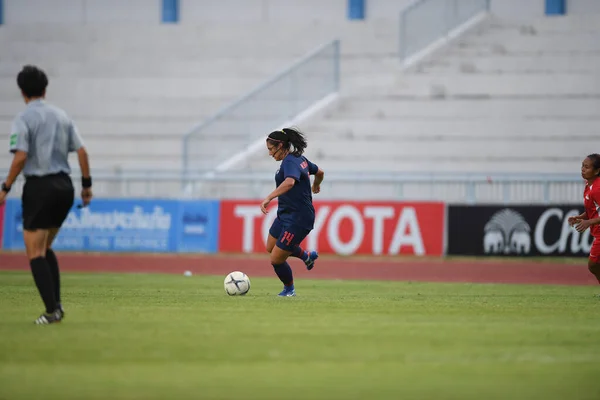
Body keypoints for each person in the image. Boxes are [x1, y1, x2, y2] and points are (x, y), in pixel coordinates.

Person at [0, 65, 93, 324]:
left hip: (40, 186)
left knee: (34, 252)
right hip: (64, 187)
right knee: (45, 246)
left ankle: (52, 311)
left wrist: (5, 187)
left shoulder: (23, 119)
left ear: (22, 91)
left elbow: (20, 157)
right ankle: (57, 306)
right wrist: (86, 186)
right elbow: (83, 152)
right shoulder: (62, 116)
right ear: (45, 88)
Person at [260, 127, 324, 296]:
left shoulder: (290, 162)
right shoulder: (299, 159)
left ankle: (289, 290)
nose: (270, 153)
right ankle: (306, 256)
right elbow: (319, 171)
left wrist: (269, 198)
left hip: (298, 218)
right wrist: (316, 183)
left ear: (281, 146)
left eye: (271, 149)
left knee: (276, 259)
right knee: (270, 247)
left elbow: (289, 182)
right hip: (285, 214)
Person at [569, 153, 600, 286]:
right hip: (597, 232)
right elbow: (593, 211)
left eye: (587, 167)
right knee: (594, 265)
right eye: (582, 166)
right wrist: (580, 218)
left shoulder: (597, 189)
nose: (583, 169)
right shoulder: (588, 185)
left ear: (597, 170)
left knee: (593, 265)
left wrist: (589, 222)